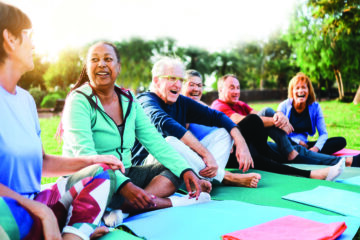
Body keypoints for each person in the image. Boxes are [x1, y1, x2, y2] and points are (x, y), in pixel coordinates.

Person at [0, 3, 128, 239]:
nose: (34, 44)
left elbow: (42, 163)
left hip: (34, 206)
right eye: (29, 36)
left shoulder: (26, 100)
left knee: (99, 172)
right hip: (7, 211)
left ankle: (71, 235)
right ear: (10, 38)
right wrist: (42, 212)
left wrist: (93, 160)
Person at [61, 42, 208, 222]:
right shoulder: (79, 101)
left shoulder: (128, 100)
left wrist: (186, 170)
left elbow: (155, 141)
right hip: (90, 178)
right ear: (87, 66)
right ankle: (170, 203)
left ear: (118, 67)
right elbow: (85, 155)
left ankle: (123, 209)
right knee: (106, 178)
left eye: (108, 59)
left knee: (175, 168)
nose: (101, 64)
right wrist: (125, 186)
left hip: (126, 172)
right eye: (94, 60)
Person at [131, 57, 260, 188]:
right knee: (170, 141)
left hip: (180, 166)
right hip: (147, 168)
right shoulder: (144, 101)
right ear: (156, 81)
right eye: (172, 78)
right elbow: (165, 124)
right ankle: (225, 177)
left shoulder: (181, 101)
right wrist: (206, 154)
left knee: (224, 133)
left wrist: (240, 142)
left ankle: (207, 180)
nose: (178, 84)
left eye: (181, 80)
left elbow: (218, 116)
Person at [211, 73, 346, 179]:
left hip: (255, 145)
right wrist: (276, 119)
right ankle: (291, 153)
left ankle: (342, 161)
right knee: (286, 143)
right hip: (237, 151)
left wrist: (278, 114)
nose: (236, 91)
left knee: (296, 148)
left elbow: (259, 113)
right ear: (221, 90)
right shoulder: (219, 105)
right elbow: (242, 120)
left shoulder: (239, 104)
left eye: (238, 87)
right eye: (232, 88)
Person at [279, 73, 346, 155]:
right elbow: (279, 133)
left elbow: (323, 133)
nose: (301, 91)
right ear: (292, 92)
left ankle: (308, 153)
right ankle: (304, 153)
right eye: (297, 88)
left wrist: (316, 148)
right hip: (288, 143)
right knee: (281, 141)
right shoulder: (283, 106)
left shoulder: (316, 107)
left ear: (308, 91)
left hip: (306, 145)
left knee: (341, 141)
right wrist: (297, 141)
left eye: (304, 87)